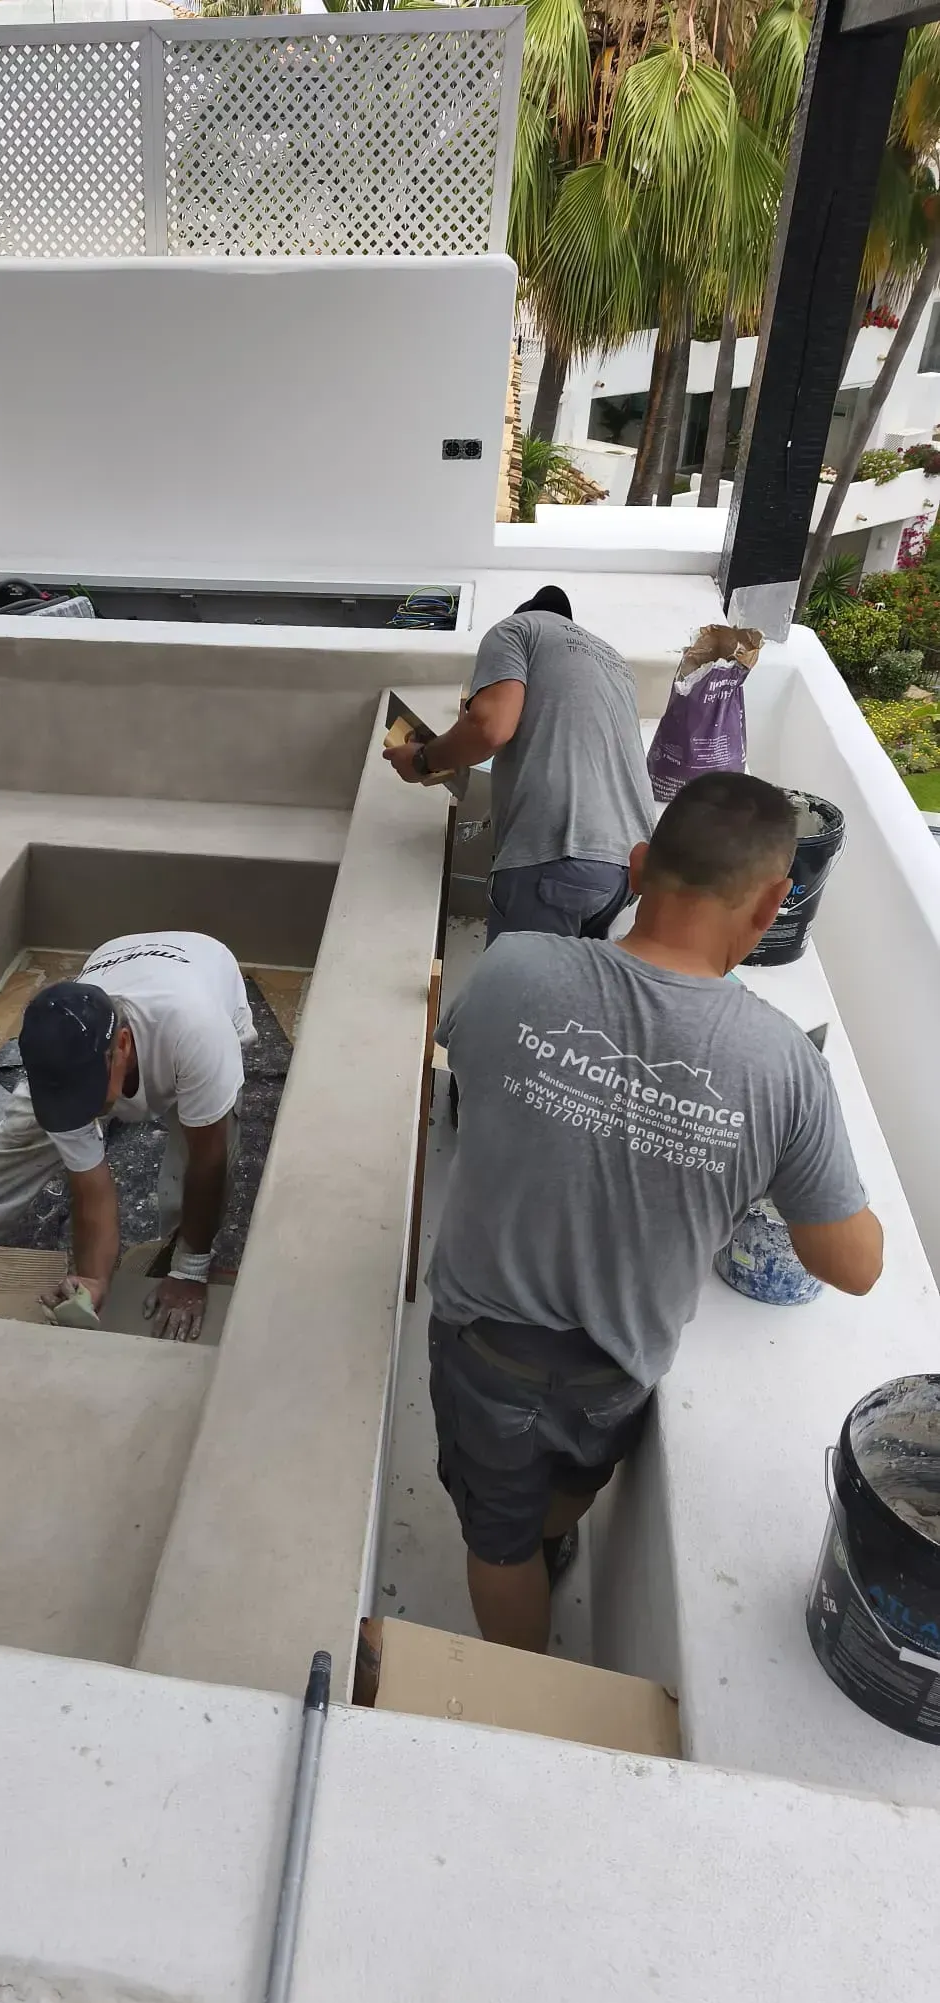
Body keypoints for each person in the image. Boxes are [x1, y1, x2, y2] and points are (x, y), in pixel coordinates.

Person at [427, 772, 883, 1654]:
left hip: (485, 1353)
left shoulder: (517, 965)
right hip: (615, 1374)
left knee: (498, 1542)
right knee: (566, 1486)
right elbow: (852, 1265)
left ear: (637, 867)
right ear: (775, 904)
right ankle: (544, 1561)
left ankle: (517, 1671)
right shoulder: (785, 1067)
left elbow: (471, 1071)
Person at [0, 931, 256, 1341]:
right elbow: (92, 1187)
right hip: (116, 962)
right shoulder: (62, 1058)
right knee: (20, 1139)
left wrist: (189, 1272)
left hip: (206, 971)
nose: (81, 1110)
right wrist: (92, 1279)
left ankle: (181, 1251)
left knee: (205, 1145)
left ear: (121, 1046)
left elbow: (207, 1163)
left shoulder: (198, 1033)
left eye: (87, 1092)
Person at [384, 585, 655, 944]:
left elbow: (489, 727)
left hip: (559, 856)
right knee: (571, 993)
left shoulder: (514, 630)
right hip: (629, 869)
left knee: (521, 996)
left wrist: (421, 760)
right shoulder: (615, 663)